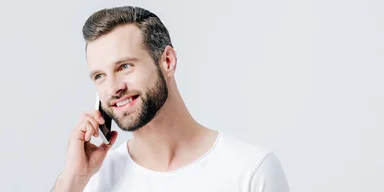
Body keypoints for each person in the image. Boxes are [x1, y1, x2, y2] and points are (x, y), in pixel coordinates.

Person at [52, 6, 289, 192]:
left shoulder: (251, 171)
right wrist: (73, 180)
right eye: (100, 76)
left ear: (167, 61)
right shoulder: (92, 180)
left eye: (125, 66)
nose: (113, 88)